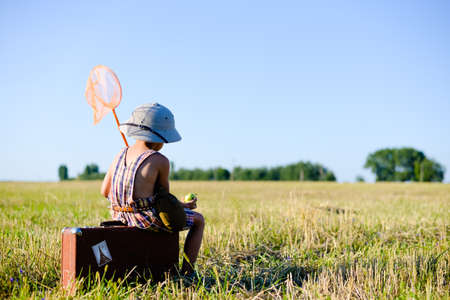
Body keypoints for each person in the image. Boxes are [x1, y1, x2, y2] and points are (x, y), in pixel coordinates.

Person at [100, 103, 204, 275]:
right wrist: (183, 206)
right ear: (159, 138)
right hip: (144, 220)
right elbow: (165, 202)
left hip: (118, 215)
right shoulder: (160, 160)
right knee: (198, 220)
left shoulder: (120, 154)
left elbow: (105, 191)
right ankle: (187, 273)